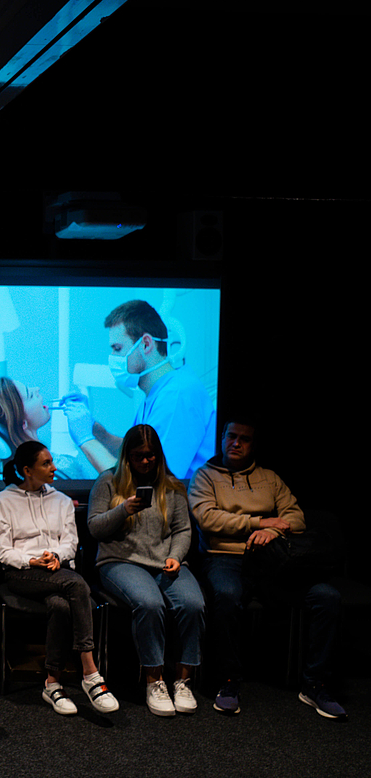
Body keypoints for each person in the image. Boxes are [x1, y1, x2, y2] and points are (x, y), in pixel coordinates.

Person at [189, 420, 345, 719]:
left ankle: (315, 684)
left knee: (327, 598)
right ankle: (228, 681)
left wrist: (271, 532)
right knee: (226, 595)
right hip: (225, 557)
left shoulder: (269, 478)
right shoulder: (205, 476)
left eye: (244, 439)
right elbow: (208, 519)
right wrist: (259, 522)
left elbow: (296, 518)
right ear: (222, 438)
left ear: (254, 445)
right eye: (231, 436)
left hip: (272, 559)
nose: (236, 443)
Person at [0, 440, 118, 716]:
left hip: (56, 571)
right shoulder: (5, 499)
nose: (54, 468)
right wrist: (31, 560)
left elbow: (71, 542)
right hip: (21, 573)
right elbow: (2, 550)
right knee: (76, 583)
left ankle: (52, 684)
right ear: (27, 470)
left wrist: (56, 556)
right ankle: (90, 671)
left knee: (60, 604)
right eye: (46, 463)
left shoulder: (61, 500)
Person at [88, 424, 205, 716]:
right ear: (127, 456)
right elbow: (95, 528)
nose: (145, 461)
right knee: (149, 603)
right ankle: (155, 680)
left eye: (150, 455)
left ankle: (183, 680)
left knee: (193, 604)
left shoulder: (171, 485)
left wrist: (176, 556)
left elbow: (182, 530)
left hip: (164, 561)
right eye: (138, 456)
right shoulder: (108, 482)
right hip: (121, 561)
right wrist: (122, 510)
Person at [81, 300, 215, 483]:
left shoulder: (176, 396)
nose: (112, 358)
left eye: (117, 349)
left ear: (146, 344)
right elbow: (136, 456)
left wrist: (85, 441)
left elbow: (150, 479)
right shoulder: (155, 395)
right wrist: (100, 435)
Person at [0, 377, 111, 479]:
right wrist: (86, 439)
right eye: (30, 395)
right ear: (22, 423)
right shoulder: (62, 470)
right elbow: (118, 484)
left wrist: (94, 429)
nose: (37, 389)